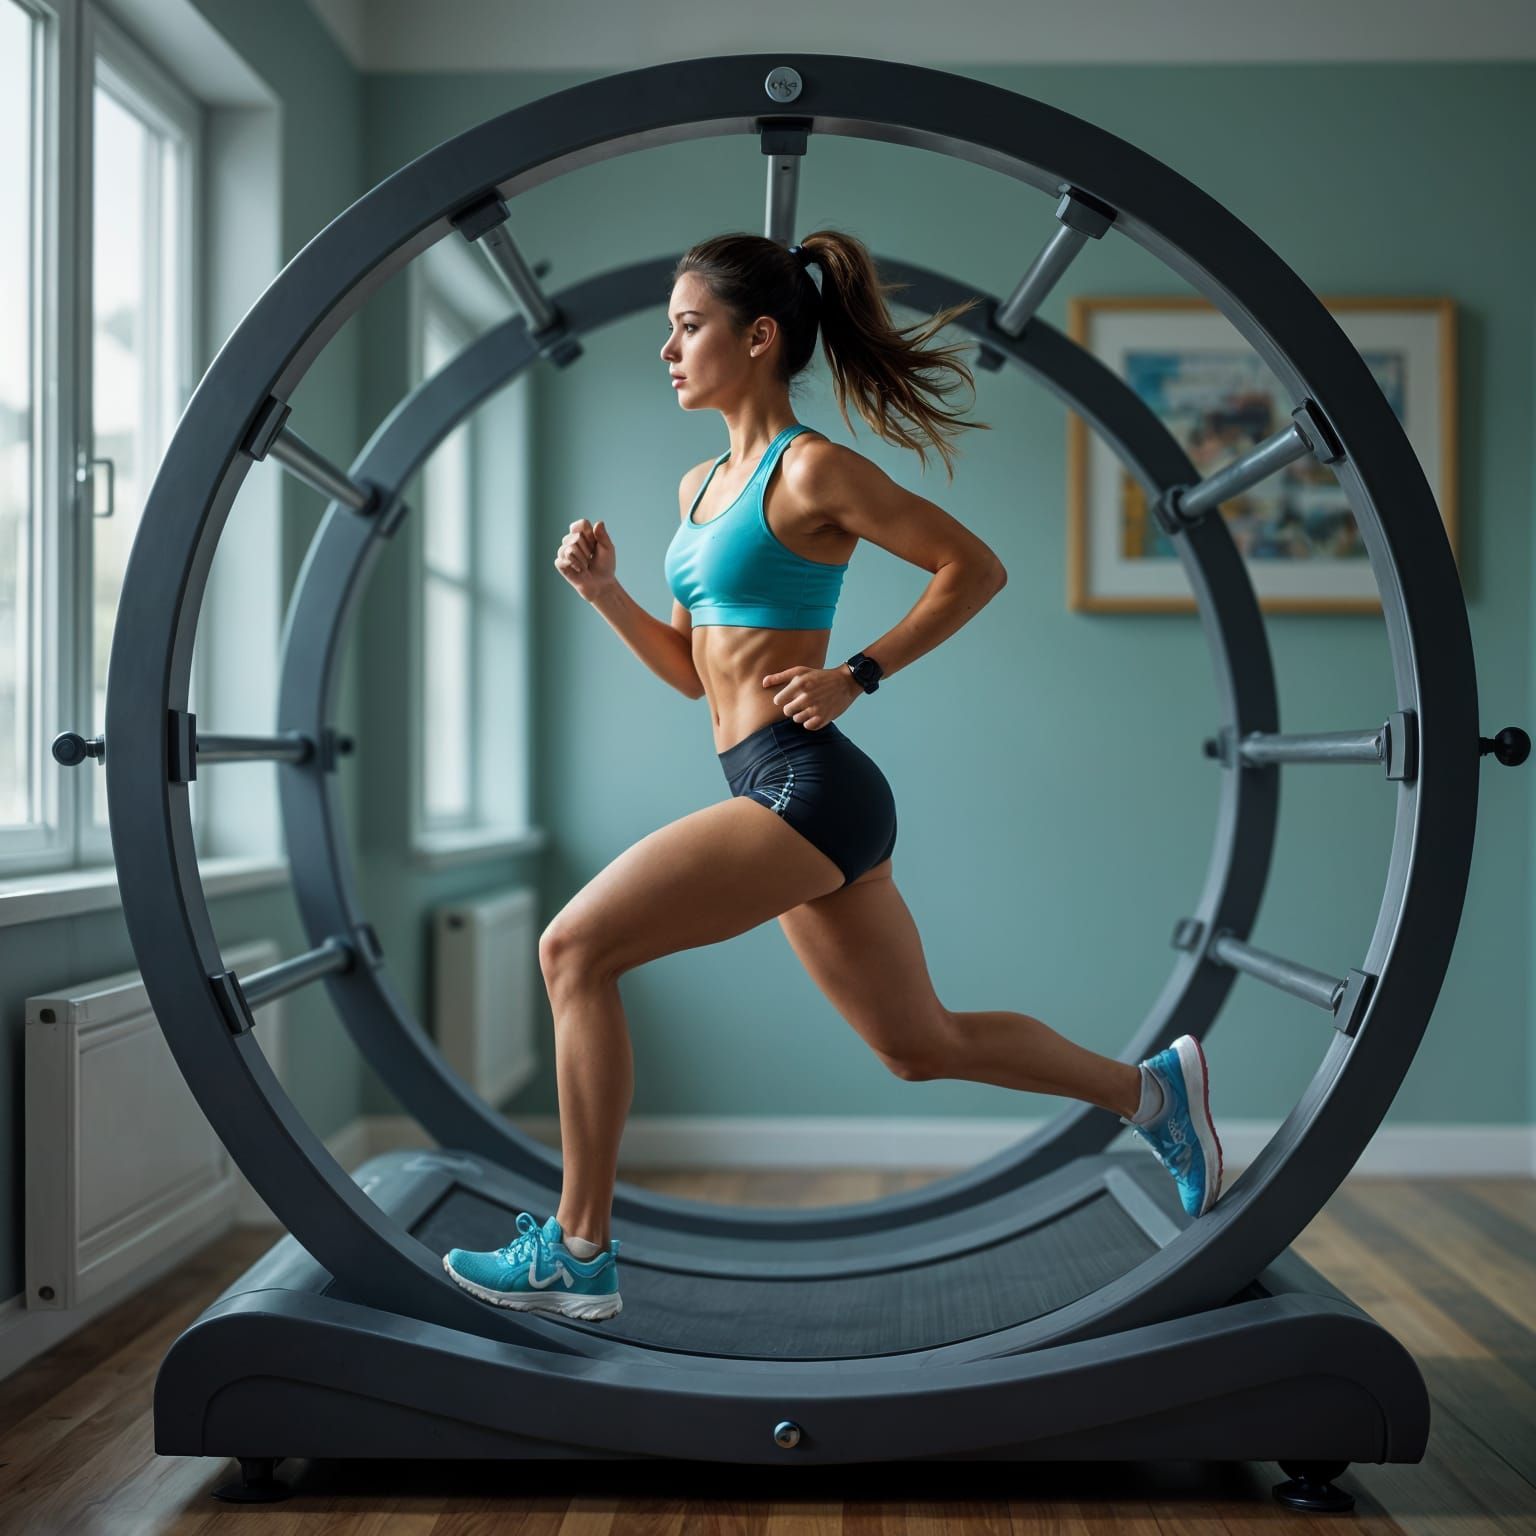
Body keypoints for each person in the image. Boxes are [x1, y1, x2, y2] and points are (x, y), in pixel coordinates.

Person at [442, 230, 1222, 1321]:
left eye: (688, 326)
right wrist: (609, 592)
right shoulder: (700, 482)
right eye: (669, 329)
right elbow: (690, 677)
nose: (667, 349)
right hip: (771, 782)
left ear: (758, 338)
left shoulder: (807, 469)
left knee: (573, 947)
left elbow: (974, 568)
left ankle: (579, 1248)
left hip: (806, 786)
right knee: (919, 1046)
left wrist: (859, 672)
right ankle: (1152, 1093)